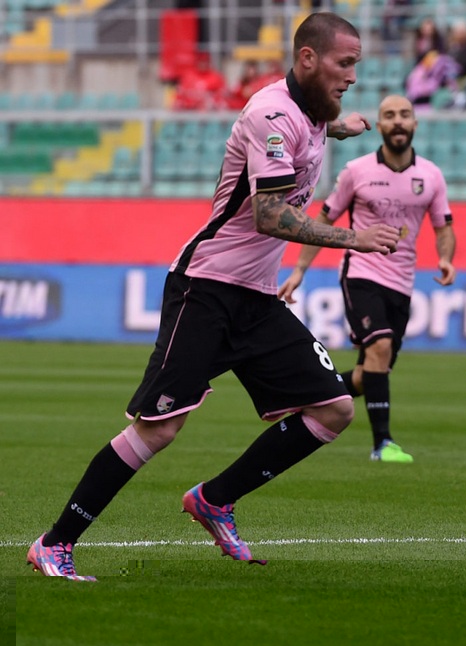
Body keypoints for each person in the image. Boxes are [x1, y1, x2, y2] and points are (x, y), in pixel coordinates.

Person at [26, 12, 401, 580]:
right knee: (160, 428)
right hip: (205, 289)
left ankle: (215, 499)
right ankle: (55, 543)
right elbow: (270, 214)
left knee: (333, 409)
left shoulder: (313, 109)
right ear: (307, 59)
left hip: (254, 298)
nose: (352, 75)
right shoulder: (271, 114)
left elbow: (318, 128)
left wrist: (344, 126)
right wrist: (355, 237)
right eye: (344, 63)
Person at [279, 94, 456, 464]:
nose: (398, 121)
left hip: (402, 283)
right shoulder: (357, 171)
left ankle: (302, 399)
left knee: (369, 373)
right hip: (361, 273)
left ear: (414, 124)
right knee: (379, 346)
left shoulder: (431, 176)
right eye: (389, 115)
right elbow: (323, 221)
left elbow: (443, 227)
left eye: (404, 115)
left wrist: (445, 258)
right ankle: (383, 444)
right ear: (380, 123)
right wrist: (299, 270)